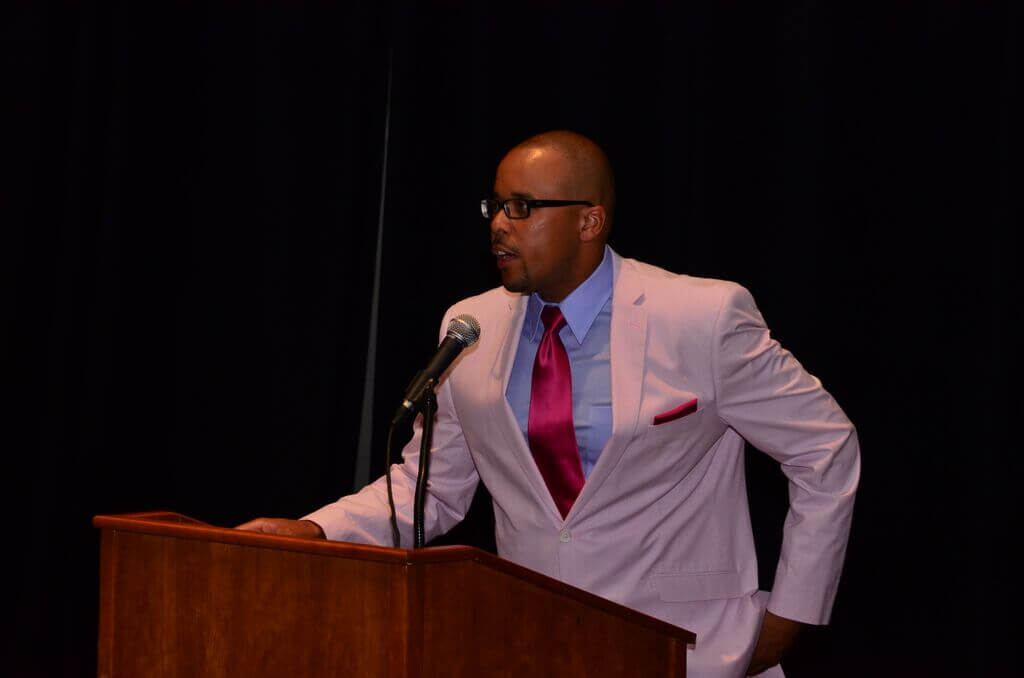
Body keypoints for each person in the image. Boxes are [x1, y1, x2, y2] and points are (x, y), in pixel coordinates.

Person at [238, 130, 860, 678]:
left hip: (689, 651)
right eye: (495, 206)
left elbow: (825, 448)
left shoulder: (702, 317)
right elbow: (432, 487)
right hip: (531, 646)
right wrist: (318, 529)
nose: (498, 225)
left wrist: (791, 615)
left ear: (590, 221)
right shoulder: (470, 326)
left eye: (522, 207)